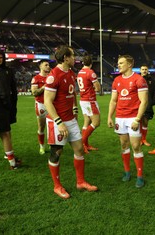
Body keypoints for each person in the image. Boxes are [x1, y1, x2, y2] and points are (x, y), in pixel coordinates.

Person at [44, 45, 98, 199]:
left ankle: (80, 182)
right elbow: (48, 101)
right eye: (73, 55)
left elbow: (72, 92)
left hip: (70, 119)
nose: (76, 58)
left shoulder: (70, 73)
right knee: (56, 153)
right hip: (57, 121)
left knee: (79, 149)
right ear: (65, 58)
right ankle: (57, 186)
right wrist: (59, 122)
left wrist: (74, 108)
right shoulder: (54, 75)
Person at [107, 55, 148, 188]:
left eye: (121, 63)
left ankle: (140, 176)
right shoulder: (116, 80)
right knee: (124, 145)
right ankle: (127, 172)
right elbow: (113, 100)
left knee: (136, 146)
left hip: (133, 118)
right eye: (118, 63)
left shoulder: (139, 79)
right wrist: (109, 117)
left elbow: (144, 101)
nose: (118, 65)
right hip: (120, 117)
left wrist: (137, 119)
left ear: (129, 64)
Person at [76, 55, 101, 153]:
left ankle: (86, 145)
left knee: (87, 122)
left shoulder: (79, 73)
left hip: (83, 100)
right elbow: (98, 88)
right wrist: (94, 89)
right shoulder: (90, 72)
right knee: (96, 122)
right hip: (90, 100)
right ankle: (82, 143)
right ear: (91, 63)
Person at [31, 59, 51, 154]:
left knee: (52, 125)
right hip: (41, 105)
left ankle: (52, 145)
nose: (48, 66)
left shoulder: (51, 77)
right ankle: (42, 147)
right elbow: (34, 93)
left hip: (51, 104)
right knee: (41, 126)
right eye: (46, 65)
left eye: (48, 65)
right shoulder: (36, 78)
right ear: (41, 66)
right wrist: (44, 87)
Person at [139, 64, 155, 147]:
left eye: (145, 69)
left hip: (147, 105)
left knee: (145, 122)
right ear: (140, 70)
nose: (144, 71)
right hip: (138, 105)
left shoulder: (151, 80)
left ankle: (144, 139)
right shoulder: (137, 79)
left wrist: (152, 102)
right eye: (142, 69)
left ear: (148, 70)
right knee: (138, 122)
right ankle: (139, 139)